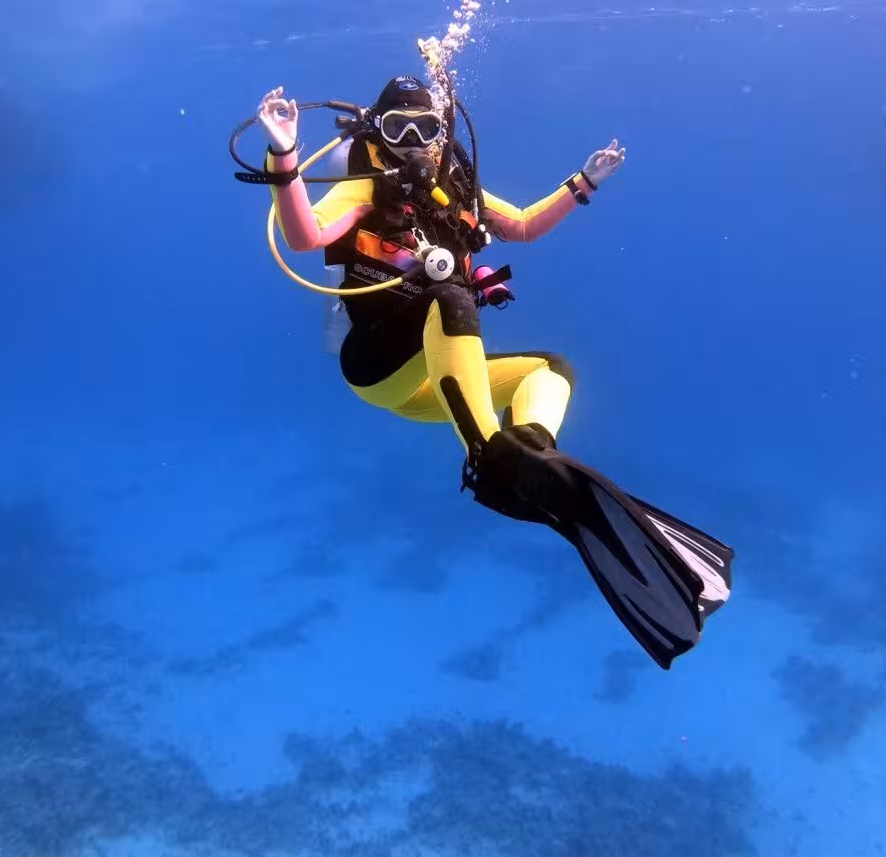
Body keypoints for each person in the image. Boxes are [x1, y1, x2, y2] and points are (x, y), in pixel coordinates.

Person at [254, 75, 733, 668]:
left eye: (424, 129)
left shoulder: (457, 191)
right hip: (376, 366)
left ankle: (529, 446)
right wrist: (284, 153)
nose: (412, 143)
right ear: (375, 132)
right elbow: (303, 238)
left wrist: (583, 182)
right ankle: (488, 455)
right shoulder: (362, 188)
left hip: (436, 384)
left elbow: (525, 225)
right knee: (450, 296)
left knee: (551, 370)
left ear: (441, 134)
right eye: (396, 129)